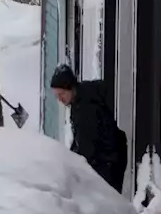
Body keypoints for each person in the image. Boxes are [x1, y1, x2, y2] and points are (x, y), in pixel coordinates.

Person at [50, 64, 128, 192]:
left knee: (106, 204)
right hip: (110, 157)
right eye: (56, 95)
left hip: (108, 161)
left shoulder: (85, 108)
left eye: (62, 94)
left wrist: (71, 165)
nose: (59, 99)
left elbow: (86, 146)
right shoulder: (80, 99)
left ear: (71, 88)